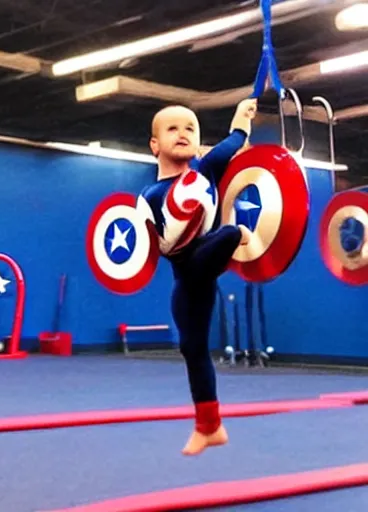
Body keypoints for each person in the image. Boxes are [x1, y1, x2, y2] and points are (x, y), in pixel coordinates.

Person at [139, 99, 257, 456]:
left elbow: (234, 139)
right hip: (188, 279)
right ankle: (209, 426)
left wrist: (242, 115)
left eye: (190, 128)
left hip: (204, 259)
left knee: (224, 235)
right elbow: (139, 250)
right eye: (172, 128)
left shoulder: (204, 173)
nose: (183, 133)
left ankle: (233, 236)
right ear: (154, 144)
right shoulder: (148, 196)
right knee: (192, 348)